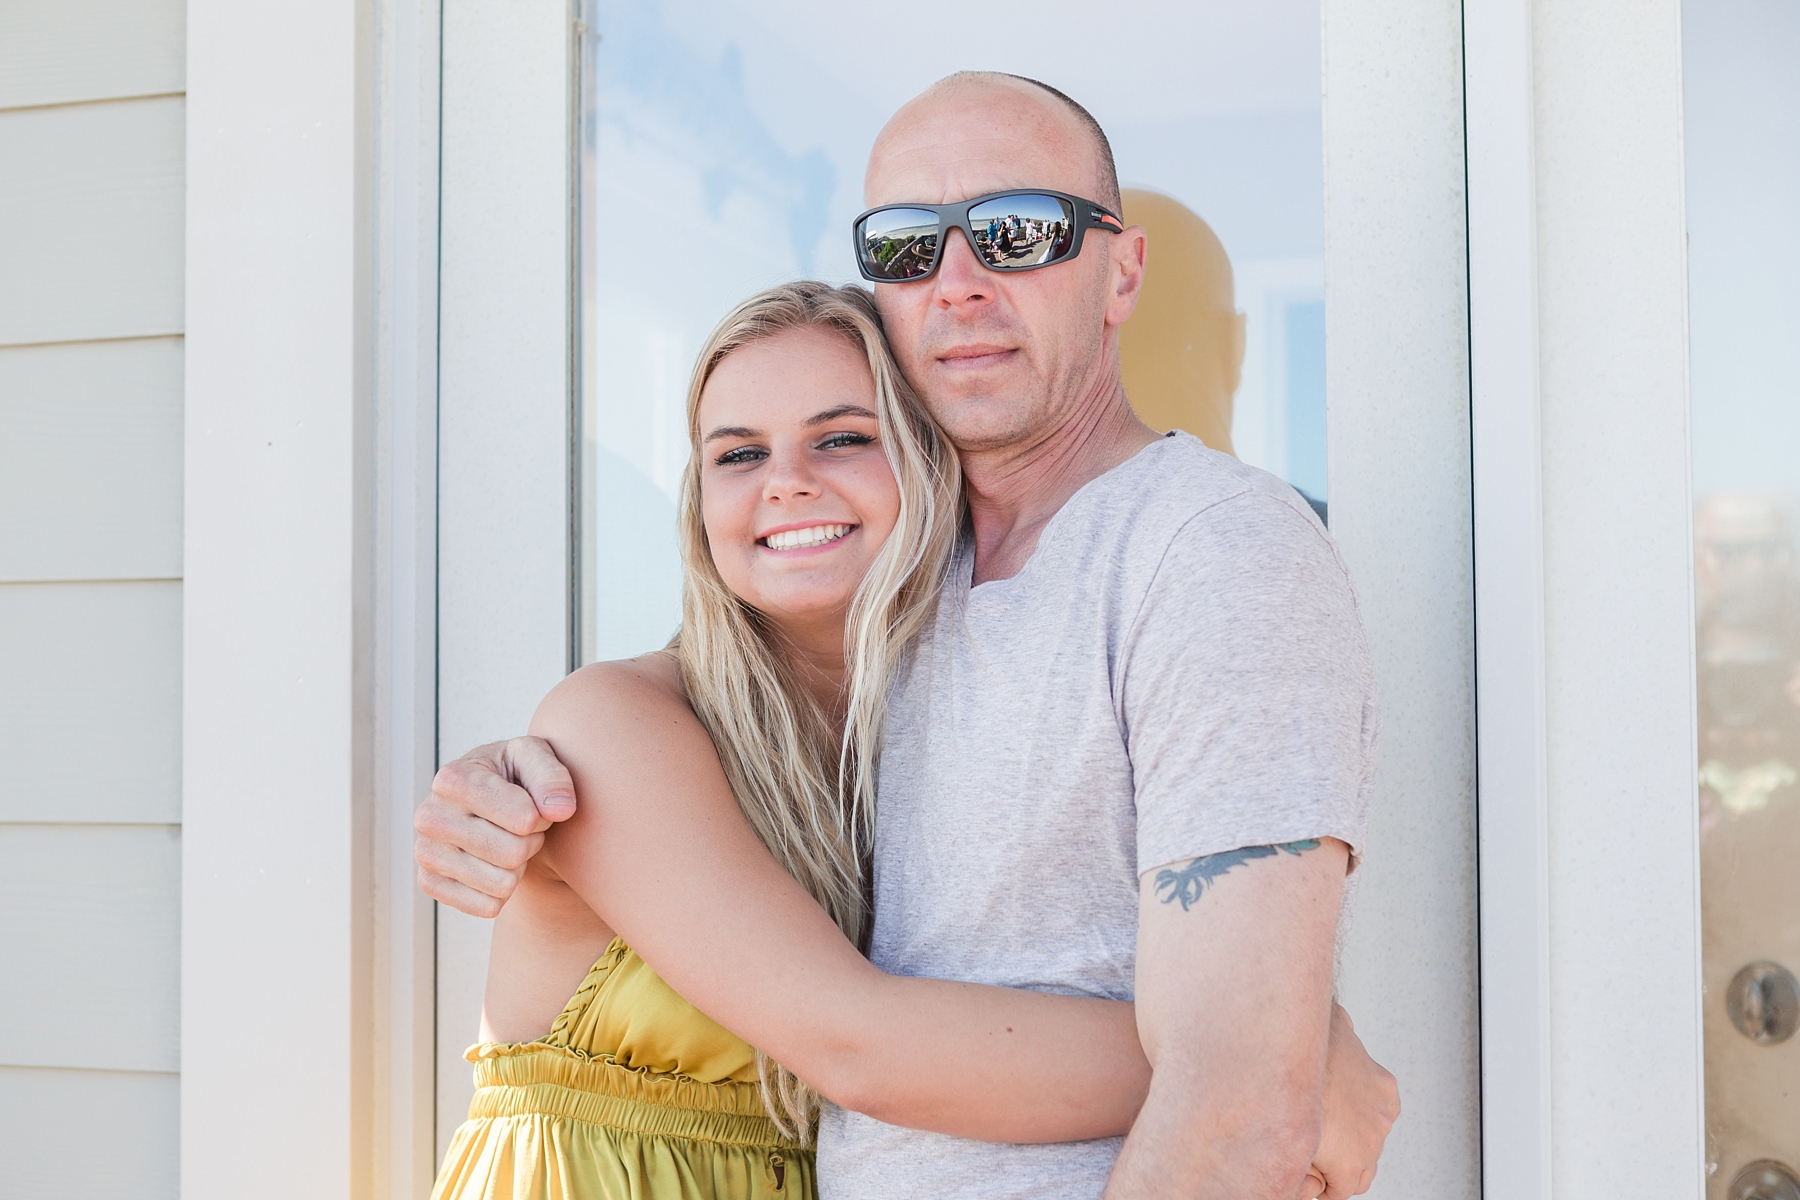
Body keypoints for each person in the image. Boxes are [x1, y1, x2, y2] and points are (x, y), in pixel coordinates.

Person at [418, 71, 1398, 1200]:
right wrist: (1291, 1054)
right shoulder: (708, 705)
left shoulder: (1200, 549)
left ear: (1122, 271)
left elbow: (1219, 1072)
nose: (960, 283)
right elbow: (862, 1038)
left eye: (1017, 232)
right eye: (906, 247)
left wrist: (1261, 1053)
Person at [430, 281, 1161, 1200]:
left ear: (931, 460)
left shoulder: (956, 737)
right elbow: (855, 1044)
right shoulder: (611, 727)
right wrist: (1248, 1054)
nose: (786, 481)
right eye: (738, 454)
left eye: (845, 437)